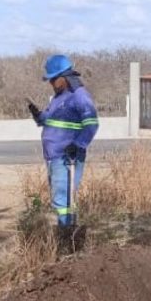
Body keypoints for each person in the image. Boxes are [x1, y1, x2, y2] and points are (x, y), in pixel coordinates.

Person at [27, 54, 99, 230]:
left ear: (64, 77)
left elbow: (91, 124)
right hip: (53, 156)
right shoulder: (59, 98)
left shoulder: (80, 96)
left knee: (63, 197)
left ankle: (67, 232)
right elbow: (51, 121)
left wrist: (78, 145)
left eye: (53, 80)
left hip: (67, 156)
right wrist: (39, 116)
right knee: (60, 196)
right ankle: (65, 229)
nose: (51, 83)